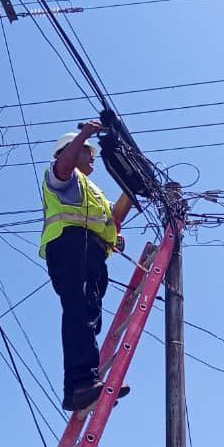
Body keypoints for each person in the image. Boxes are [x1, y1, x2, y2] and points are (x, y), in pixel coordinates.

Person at [40, 121, 134, 411]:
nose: (93, 155)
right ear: (70, 151)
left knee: (90, 314)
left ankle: (85, 382)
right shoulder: (63, 175)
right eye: (87, 151)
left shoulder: (92, 189)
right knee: (79, 310)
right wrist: (85, 134)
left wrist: (132, 186)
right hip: (70, 245)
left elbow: (113, 216)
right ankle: (79, 385)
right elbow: (62, 169)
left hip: (92, 253)